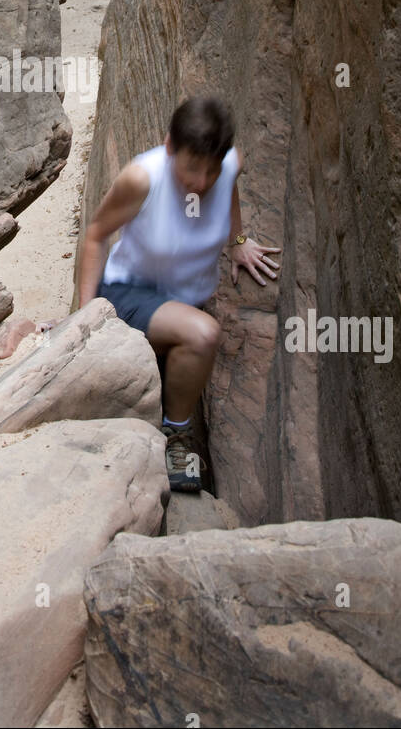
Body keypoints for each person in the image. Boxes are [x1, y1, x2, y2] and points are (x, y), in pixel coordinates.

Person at [77, 96, 281, 493]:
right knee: (203, 334)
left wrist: (238, 240)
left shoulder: (231, 164)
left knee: (195, 331)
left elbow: (229, 190)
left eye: (211, 170)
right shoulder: (142, 179)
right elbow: (96, 236)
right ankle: (177, 433)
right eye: (191, 168)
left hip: (181, 301)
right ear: (169, 146)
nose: (201, 183)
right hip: (129, 292)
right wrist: (85, 318)